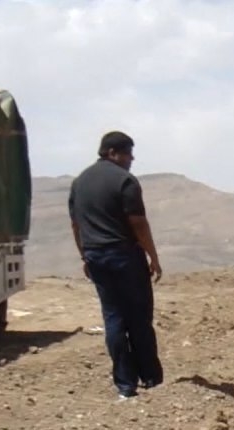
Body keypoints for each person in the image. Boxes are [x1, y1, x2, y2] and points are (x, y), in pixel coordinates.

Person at [68, 131, 164, 400]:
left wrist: (85, 256)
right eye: (128, 153)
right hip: (124, 256)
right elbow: (138, 223)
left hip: (96, 256)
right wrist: (153, 257)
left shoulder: (79, 182)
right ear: (112, 153)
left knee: (113, 318)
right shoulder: (125, 180)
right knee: (139, 318)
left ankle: (124, 384)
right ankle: (151, 378)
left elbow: (76, 225)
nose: (131, 159)